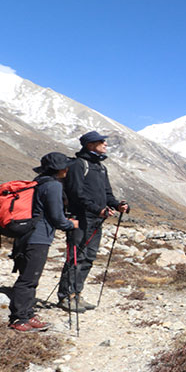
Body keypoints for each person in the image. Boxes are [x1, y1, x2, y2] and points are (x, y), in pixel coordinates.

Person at [56, 130, 129, 312]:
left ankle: (77, 294)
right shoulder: (78, 165)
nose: (105, 145)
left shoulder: (100, 167)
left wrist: (117, 205)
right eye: (101, 142)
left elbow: (107, 194)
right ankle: (66, 297)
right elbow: (76, 194)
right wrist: (99, 209)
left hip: (96, 219)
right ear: (90, 145)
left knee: (88, 258)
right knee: (76, 258)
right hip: (79, 218)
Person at [9, 152, 78, 331]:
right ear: (59, 169)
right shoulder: (54, 186)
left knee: (29, 276)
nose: (67, 169)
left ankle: (27, 314)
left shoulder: (39, 182)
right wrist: (71, 224)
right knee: (29, 279)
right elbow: (57, 217)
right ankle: (19, 319)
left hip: (26, 234)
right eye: (65, 166)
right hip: (38, 237)